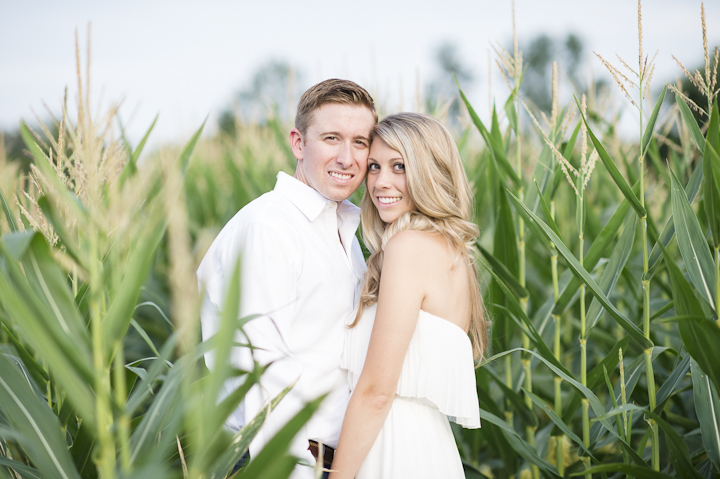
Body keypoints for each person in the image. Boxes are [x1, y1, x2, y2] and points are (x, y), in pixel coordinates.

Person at [196, 79, 377, 478]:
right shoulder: (270, 228)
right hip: (282, 462)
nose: (347, 157)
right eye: (332, 138)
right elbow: (265, 370)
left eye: (360, 142)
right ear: (298, 143)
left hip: (331, 462)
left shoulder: (341, 227)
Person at [329, 112, 487, 479]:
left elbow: (376, 393)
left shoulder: (408, 247)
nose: (381, 182)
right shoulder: (452, 252)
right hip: (429, 449)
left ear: (429, 171)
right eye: (374, 167)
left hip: (391, 449)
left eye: (399, 166)